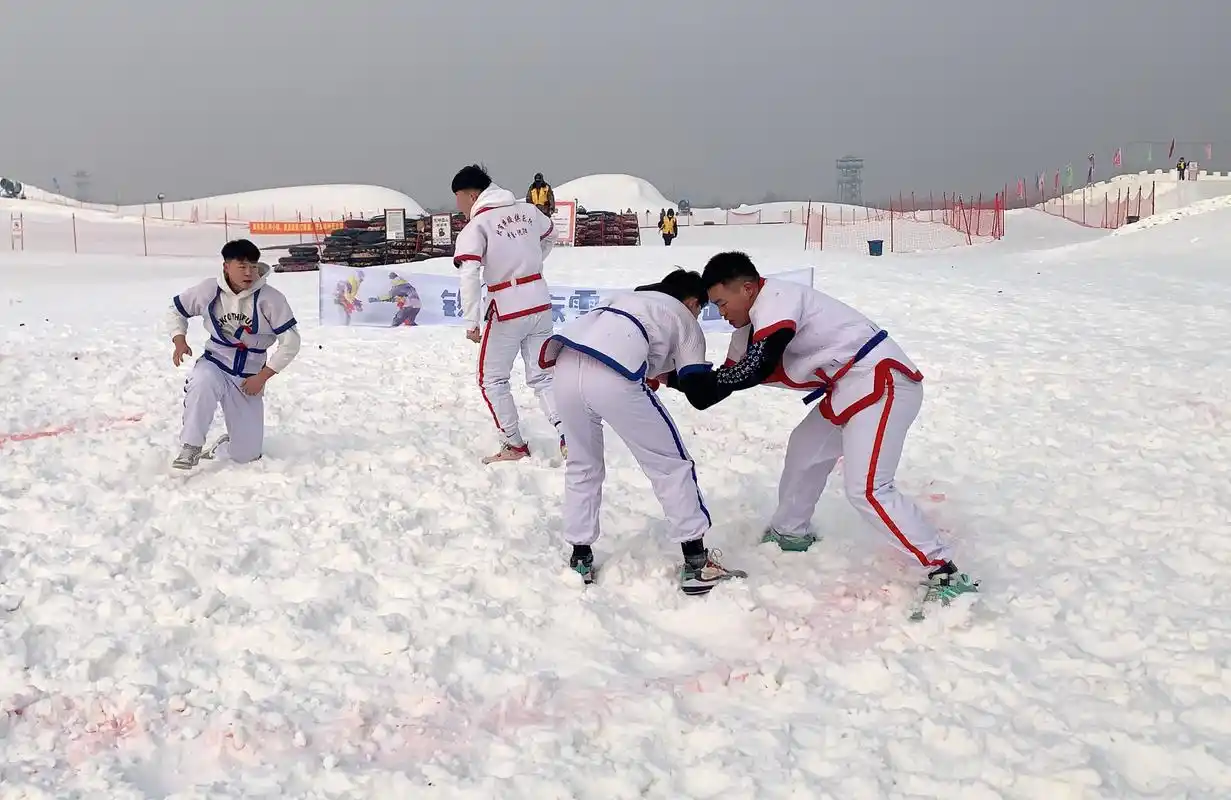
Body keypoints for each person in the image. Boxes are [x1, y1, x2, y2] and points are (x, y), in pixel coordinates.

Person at [698, 251, 977, 601]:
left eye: (722, 303)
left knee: (869, 489)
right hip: (848, 388)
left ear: (748, 289)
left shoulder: (777, 297)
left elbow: (758, 364)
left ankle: (944, 570)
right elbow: (718, 387)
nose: (721, 314)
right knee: (805, 449)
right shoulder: (746, 332)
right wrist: (667, 375)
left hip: (883, 381)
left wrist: (707, 379)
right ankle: (789, 532)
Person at [538, 269, 747, 596]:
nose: (698, 316)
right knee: (670, 464)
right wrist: (740, 377)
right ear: (692, 302)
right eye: (701, 309)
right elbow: (697, 391)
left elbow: (653, 366)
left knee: (582, 464)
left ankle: (580, 558)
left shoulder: (627, 298)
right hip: (613, 377)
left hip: (564, 369)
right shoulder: (683, 317)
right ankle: (696, 564)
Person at [452, 164, 564, 463]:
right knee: (544, 376)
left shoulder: (477, 225)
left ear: (471, 195)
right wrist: (532, 262)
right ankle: (568, 436)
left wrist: (471, 321)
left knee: (492, 380)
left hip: (506, 308)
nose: (458, 205)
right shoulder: (528, 211)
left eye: (458, 197)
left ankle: (514, 444)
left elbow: (469, 274)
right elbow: (552, 234)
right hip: (539, 301)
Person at [167, 239, 301, 469]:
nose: (249, 273)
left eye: (253, 266)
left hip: (249, 375)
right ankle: (190, 446)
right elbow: (176, 310)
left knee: (247, 455)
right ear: (226, 267)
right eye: (242, 266)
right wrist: (179, 339)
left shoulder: (271, 298)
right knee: (201, 381)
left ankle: (228, 444)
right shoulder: (209, 290)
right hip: (216, 362)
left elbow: (291, 342)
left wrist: (262, 377)